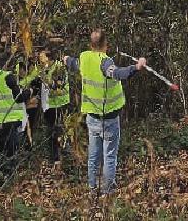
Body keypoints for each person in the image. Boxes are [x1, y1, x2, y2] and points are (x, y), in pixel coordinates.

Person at [63, 29, 147, 196]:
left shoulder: (84, 58)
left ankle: (93, 189)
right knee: (109, 157)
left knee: (93, 156)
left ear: (90, 44)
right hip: (108, 119)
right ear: (105, 45)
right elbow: (118, 73)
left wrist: (65, 58)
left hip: (92, 118)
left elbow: (72, 62)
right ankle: (107, 192)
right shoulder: (105, 62)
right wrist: (137, 67)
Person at [0, 55, 32, 185]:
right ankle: (7, 181)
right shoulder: (7, 77)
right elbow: (19, 98)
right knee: (10, 153)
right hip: (7, 122)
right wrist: (29, 92)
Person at [40, 42, 70, 166]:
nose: (39, 59)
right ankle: (53, 159)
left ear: (48, 57)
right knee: (50, 133)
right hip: (48, 106)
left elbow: (58, 85)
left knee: (60, 131)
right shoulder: (43, 68)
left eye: (41, 56)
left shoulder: (59, 67)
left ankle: (66, 158)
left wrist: (46, 80)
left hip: (60, 104)